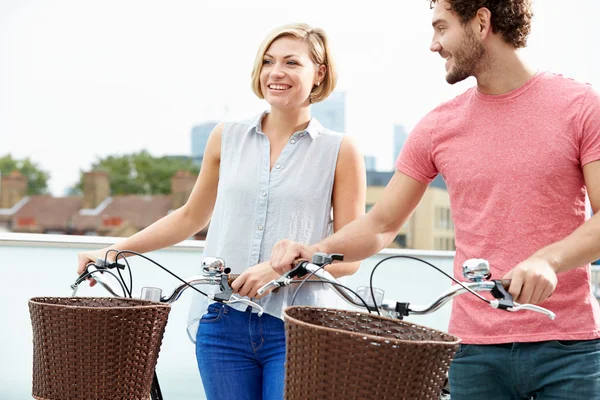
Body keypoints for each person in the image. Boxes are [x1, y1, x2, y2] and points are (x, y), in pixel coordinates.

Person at [270, 1, 600, 399]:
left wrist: (549, 259)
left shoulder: (581, 106)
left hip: (571, 350)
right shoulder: (437, 126)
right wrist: (316, 250)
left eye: (441, 28)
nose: (433, 44)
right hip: (473, 354)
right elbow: (382, 224)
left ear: (481, 22)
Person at [77, 23, 366, 400]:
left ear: (319, 73)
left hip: (297, 325)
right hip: (222, 323)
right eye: (268, 61)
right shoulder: (226, 136)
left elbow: (351, 257)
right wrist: (112, 251)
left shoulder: (340, 151)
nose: (275, 72)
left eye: (291, 62)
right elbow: (189, 217)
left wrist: (280, 272)